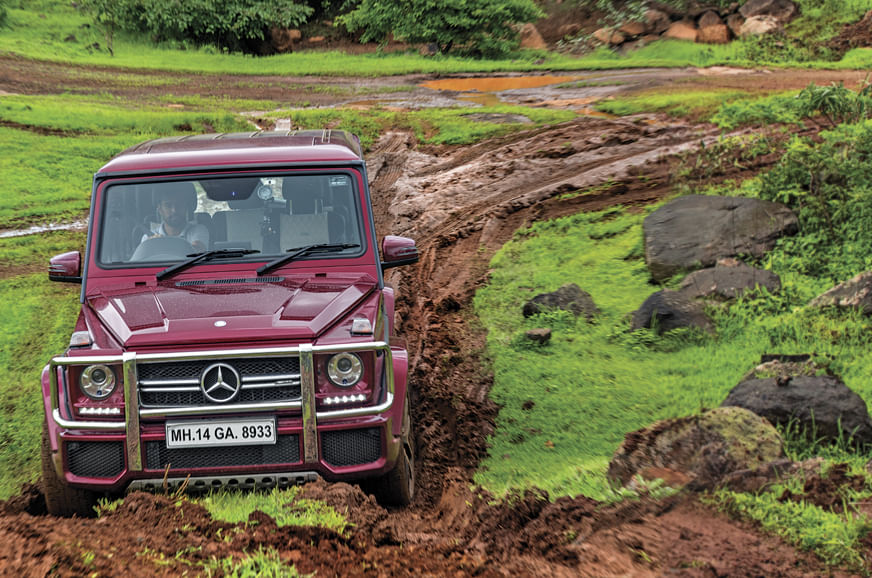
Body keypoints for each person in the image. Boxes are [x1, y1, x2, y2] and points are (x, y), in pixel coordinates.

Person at [141, 188, 209, 252]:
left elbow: (197, 252)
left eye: (179, 204)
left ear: (186, 207)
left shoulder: (198, 230)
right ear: (160, 210)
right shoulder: (148, 237)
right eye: (168, 205)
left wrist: (156, 246)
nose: (174, 210)